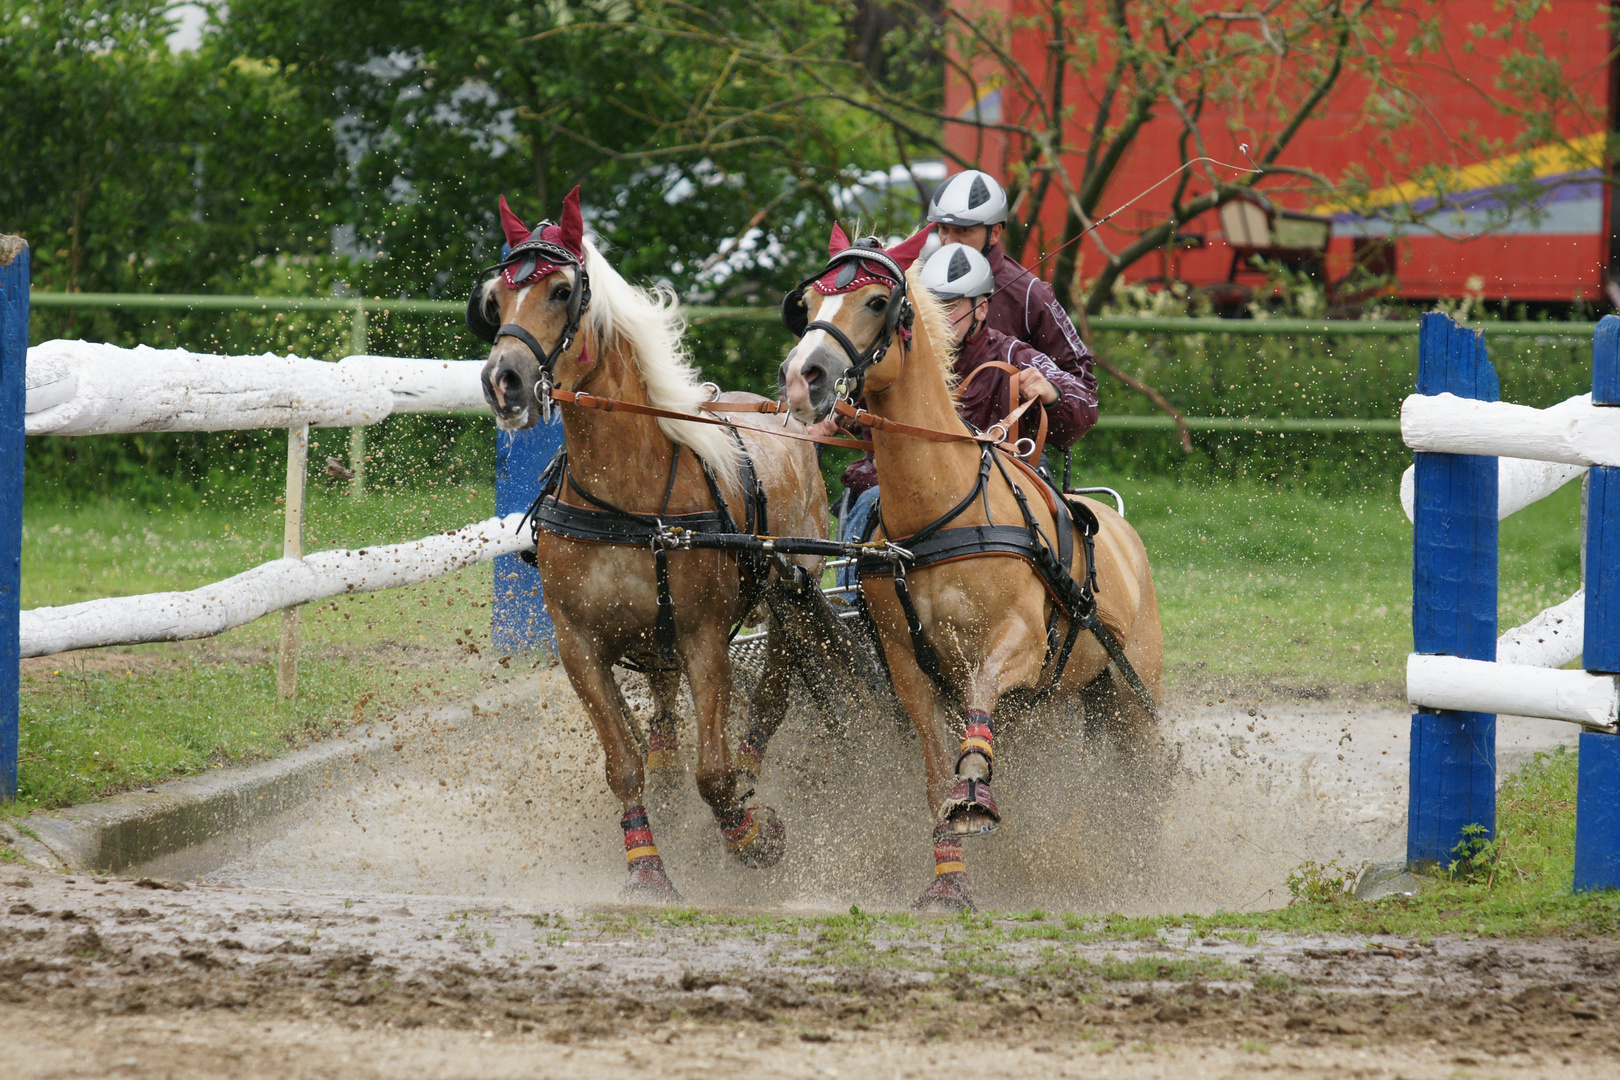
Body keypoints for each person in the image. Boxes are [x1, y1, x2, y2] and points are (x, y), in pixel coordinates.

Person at [835, 242, 1096, 583]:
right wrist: (832, 411)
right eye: (931, 303)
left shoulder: (1013, 354)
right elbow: (838, 385)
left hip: (1000, 485)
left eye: (951, 305)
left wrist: (1055, 394)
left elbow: (1085, 405)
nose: (939, 316)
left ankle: (1051, 592)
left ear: (982, 309)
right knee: (869, 496)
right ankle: (851, 601)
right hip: (899, 487)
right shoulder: (891, 356)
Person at [926, 169, 1098, 410]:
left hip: (1009, 438)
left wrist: (1052, 396)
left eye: (964, 231)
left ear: (994, 233)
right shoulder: (920, 282)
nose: (949, 242)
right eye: (943, 229)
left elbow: (1083, 389)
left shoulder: (1030, 294)